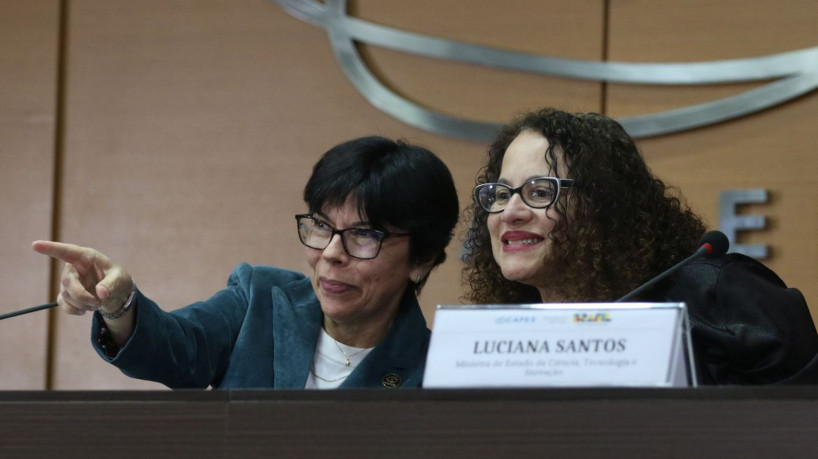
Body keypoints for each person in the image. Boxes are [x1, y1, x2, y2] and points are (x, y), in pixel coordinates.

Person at [33, 136, 459, 389]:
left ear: (419, 259)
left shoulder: (437, 369)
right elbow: (175, 349)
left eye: (363, 235)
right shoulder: (260, 299)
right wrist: (119, 302)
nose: (331, 252)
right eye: (321, 227)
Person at [462, 107, 818, 385]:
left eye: (540, 192)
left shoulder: (714, 295)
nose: (509, 212)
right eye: (501, 194)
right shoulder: (505, 339)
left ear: (603, 206)